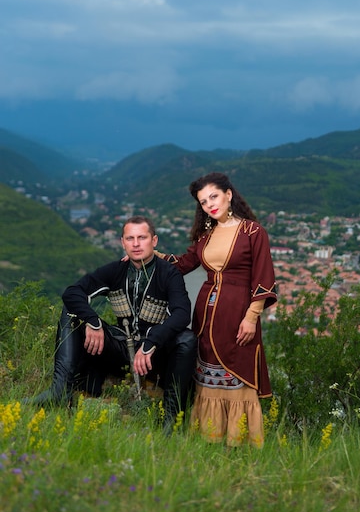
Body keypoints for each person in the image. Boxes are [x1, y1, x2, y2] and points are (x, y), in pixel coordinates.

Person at [25, 216, 197, 430]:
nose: (136, 244)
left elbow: (182, 314)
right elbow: (73, 292)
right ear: (122, 242)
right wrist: (93, 321)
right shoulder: (115, 270)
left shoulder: (169, 273)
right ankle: (60, 390)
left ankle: (171, 418)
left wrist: (152, 341)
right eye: (130, 238)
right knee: (72, 311)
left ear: (154, 241)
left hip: (155, 356)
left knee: (187, 339)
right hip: (121, 349)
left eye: (142, 237)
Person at [156, 172, 277, 447]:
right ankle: (208, 438)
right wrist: (151, 256)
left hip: (238, 314)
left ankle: (238, 441)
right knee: (206, 371)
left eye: (213, 196)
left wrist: (251, 317)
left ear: (229, 194)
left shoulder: (253, 232)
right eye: (202, 201)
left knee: (237, 368)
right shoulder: (207, 235)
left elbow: (263, 277)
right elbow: (184, 263)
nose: (209, 204)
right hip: (206, 315)